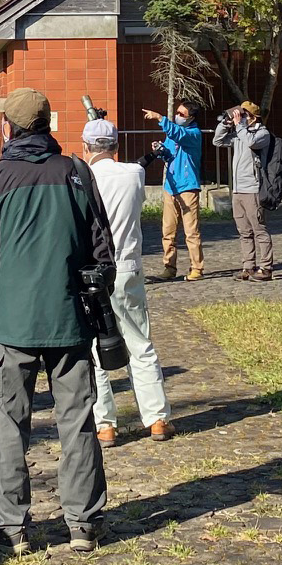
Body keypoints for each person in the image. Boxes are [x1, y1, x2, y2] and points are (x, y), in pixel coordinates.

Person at [0, 87, 115, 554]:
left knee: (8, 425)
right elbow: (103, 251)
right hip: (70, 319)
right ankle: (83, 523)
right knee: (78, 422)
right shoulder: (76, 172)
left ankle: (10, 527)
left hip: (11, 322)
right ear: (46, 126)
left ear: (8, 127)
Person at [81, 118, 171, 445]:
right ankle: (157, 419)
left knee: (95, 346)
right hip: (127, 265)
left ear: (86, 147)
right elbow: (137, 165)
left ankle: (105, 424)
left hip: (92, 270)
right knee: (139, 342)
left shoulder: (81, 178)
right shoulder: (134, 174)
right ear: (116, 146)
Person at [212, 102, 277, 282]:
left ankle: (266, 268)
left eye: (244, 115)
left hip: (253, 189)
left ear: (253, 117)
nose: (239, 118)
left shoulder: (262, 134)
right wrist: (226, 124)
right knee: (244, 231)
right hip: (238, 190)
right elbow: (217, 141)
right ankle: (248, 266)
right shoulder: (239, 134)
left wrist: (240, 126)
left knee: (259, 229)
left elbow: (251, 142)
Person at [143, 102, 206, 281]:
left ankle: (197, 268)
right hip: (170, 187)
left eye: (181, 114)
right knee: (168, 230)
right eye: (177, 112)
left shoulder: (193, 134)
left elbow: (179, 135)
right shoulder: (174, 131)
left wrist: (159, 118)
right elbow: (170, 153)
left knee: (191, 231)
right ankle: (169, 267)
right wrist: (161, 150)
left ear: (191, 118)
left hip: (187, 187)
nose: (177, 115)